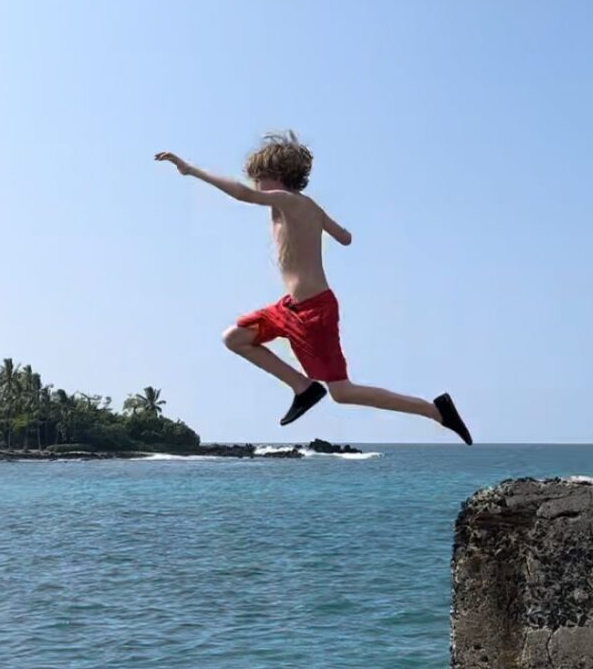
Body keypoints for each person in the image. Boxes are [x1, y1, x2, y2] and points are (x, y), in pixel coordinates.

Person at [155, 132, 472, 443]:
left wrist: (190, 169)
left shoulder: (289, 200)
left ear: (277, 177)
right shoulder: (304, 207)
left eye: (259, 179)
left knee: (343, 393)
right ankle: (303, 388)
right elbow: (345, 238)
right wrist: (321, 227)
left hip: (314, 311)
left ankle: (434, 410)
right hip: (288, 308)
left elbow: (242, 195)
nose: (256, 186)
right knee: (235, 338)